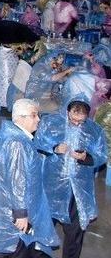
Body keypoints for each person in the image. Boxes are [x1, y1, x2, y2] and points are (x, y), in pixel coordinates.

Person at [0, 98, 60, 257]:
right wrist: (21, 213)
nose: (38, 119)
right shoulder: (18, 143)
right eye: (34, 115)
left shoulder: (9, 134)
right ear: (21, 118)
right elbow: (17, 181)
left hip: (6, 205)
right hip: (13, 209)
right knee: (15, 248)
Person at [34, 96, 107, 258]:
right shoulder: (51, 123)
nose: (76, 123)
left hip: (78, 190)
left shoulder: (94, 130)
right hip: (51, 186)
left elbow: (101, 156)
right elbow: (37, 143)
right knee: (45, 227)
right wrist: (54, 148)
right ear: (67, 111)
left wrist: (85, 158)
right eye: (73, 119)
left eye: (81, 121)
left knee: (75, 231)